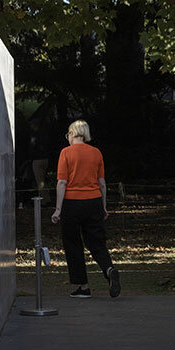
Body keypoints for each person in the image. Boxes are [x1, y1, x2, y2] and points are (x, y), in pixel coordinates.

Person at [51, 120, 121, 298]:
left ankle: (83, 286)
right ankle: (109, 269)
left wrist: (58, 209)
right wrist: (103, 206)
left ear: (72, 133)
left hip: (72, 203)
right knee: (97, 242)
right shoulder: (96, 153)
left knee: (73, 244)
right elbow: (102, 183)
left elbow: (61, 182)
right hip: (94, 201)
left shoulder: (66, 153)